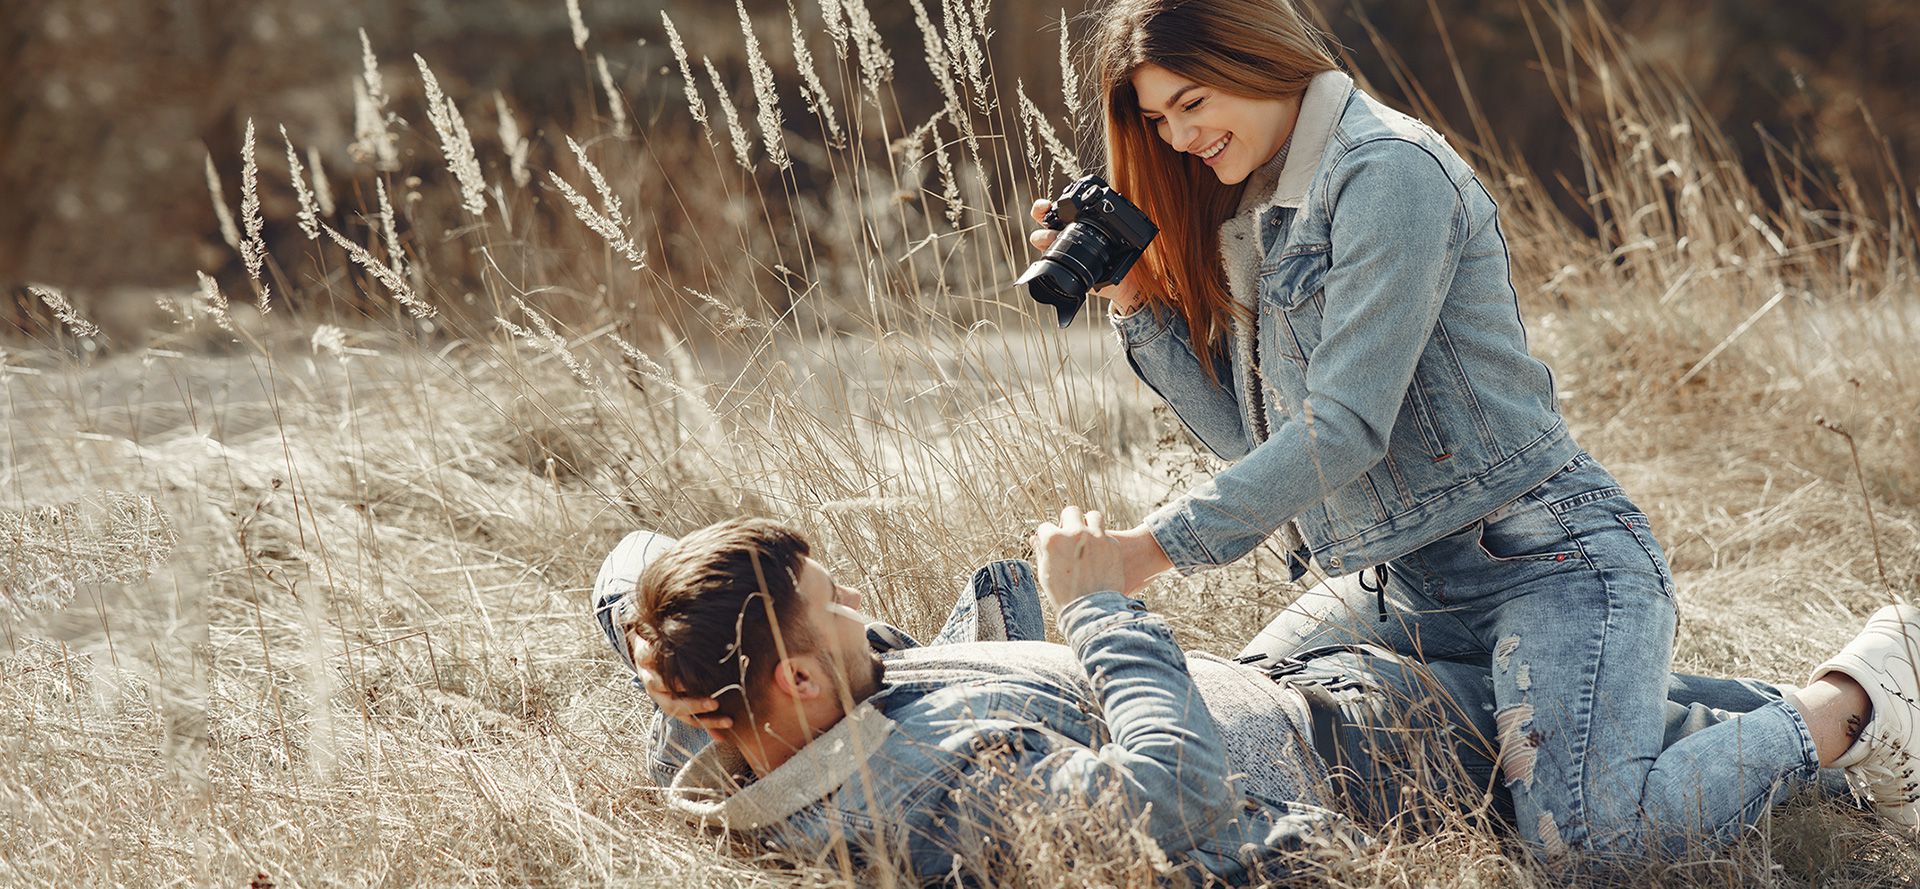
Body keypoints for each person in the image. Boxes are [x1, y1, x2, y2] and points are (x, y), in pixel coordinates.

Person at [1020, 0, 1920, 859]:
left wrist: (1152, 548)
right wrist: (1137, 302)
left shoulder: (1386, 173)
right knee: (1258, 716)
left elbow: (1342, 431)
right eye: (1158, 119)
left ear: (1253, 58)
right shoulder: (1258, 203)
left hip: (1546, 565)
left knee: (1590, 843)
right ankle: (1648, 723)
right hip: (1397, 583)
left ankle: (1854, 698)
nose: (1177, 138)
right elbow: (1260, 443)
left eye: (1191, 103)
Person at [595, 514, 1918, 883]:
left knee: (1631, 697)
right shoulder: (929, 794)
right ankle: (1859, 696)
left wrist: (653, 603)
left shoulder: (752, 715)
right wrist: (1101, 607)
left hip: (1308, 680)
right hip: (1375, 757)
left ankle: (1843, 734)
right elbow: (1165, 793)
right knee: (1611, 795)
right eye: (831, 607)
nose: (854, 609)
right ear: (800, 678)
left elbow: (700, 658)